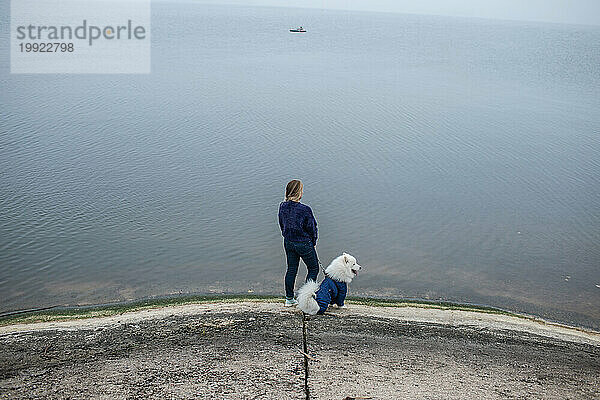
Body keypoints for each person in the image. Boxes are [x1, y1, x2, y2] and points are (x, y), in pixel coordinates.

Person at [278, 179, 319, 307]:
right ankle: (306, 300)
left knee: (291, 269)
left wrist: (286, 235)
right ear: (299, 193)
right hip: (304, 243)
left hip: (288, 242)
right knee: (313, 269)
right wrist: (313, 242)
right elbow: (312, 228)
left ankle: (289, 299)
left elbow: (281, 224)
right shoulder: (305, 209)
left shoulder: (282, 206)